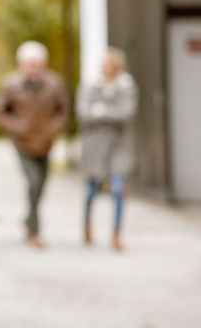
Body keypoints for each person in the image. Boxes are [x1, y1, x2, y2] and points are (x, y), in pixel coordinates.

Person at [0, 41, 69, 249]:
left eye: (37, 63)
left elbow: (63, 111)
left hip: (46, 142)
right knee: (33, 183)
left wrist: (54, 128)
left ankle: (28, 219)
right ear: (21, 64)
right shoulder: (11, 84)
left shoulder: (54, 83)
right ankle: (34, 230)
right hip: (23, 143)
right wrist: (16, 127)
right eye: (29, 63)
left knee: (41, 185)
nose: (33, 67)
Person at [76, 47, 137, 252]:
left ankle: (116, 234)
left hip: (119, 147)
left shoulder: (127, 86)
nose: (107, 69)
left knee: (118, 190)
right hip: (95, 148)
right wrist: (109, 112)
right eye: (104, 66)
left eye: (111, 66)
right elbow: (83, 112)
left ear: (118, 67)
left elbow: (126, 113)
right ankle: (87, 226)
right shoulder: (91, 86)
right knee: (92, 190)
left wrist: (100, 111)